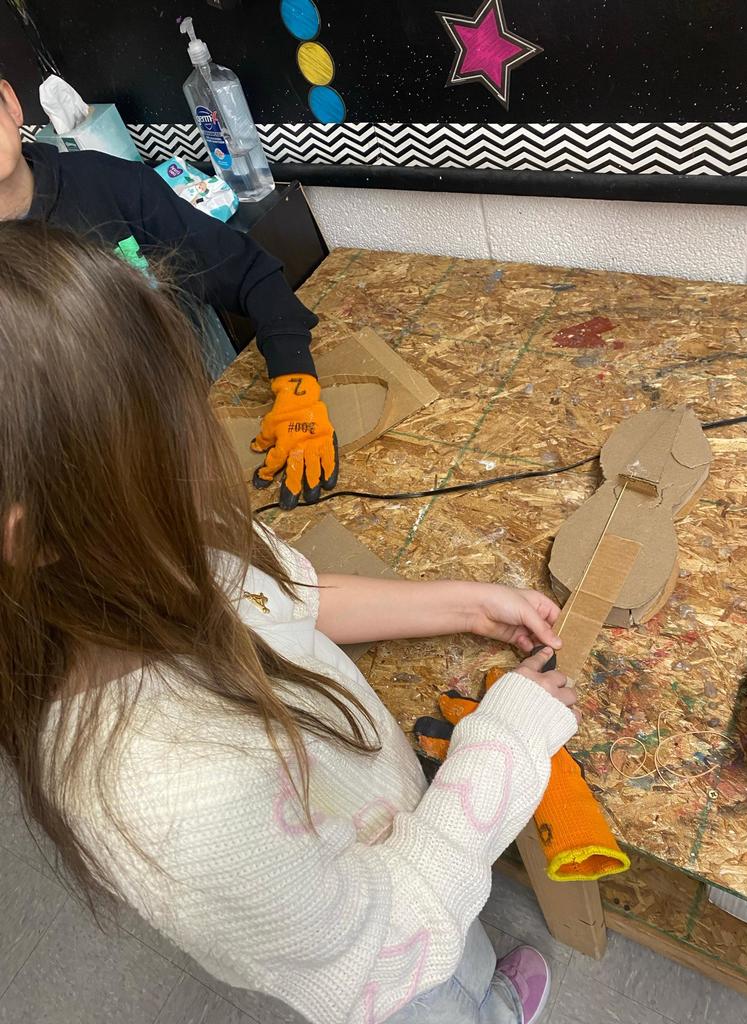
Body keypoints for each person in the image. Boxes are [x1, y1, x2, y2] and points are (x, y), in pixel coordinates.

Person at [0, 221, 581, 1024]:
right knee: (441, 1000)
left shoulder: (140, 554)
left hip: (409, 861)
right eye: (165, 436)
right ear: (34, 535)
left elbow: (284, 599)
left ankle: (482, 992)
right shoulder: (173, 798)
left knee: (460, 954)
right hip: (390, 972)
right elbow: (387, 940)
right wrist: (507, 739)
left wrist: (467, 602)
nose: (207, 451)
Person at [0, 72, 335, 510]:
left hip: (194, 438)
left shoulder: (110, 185)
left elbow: (249, 272)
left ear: (9, 100)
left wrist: (296, 388)